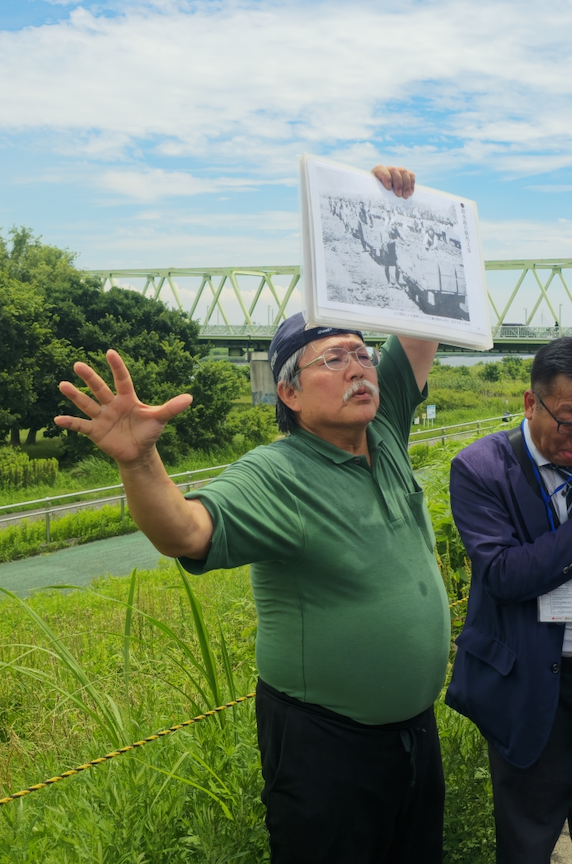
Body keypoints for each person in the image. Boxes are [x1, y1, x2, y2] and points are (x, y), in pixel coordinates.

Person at [55, 164, 450, 864]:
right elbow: (185, 531)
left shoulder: (384, 430)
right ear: (291, 394)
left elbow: (419, 330)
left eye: (363, 353)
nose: (361, 366)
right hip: (326, 745)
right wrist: (138, 463)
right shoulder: (276, 473)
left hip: (414, 733)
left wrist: (398, 215)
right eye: (335, 358)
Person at [446, 337, 572, 864]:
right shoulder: (481, 469)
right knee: (526, 841)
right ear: (529, 402)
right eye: (567, 420)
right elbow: (502, 574)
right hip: (526, 682)